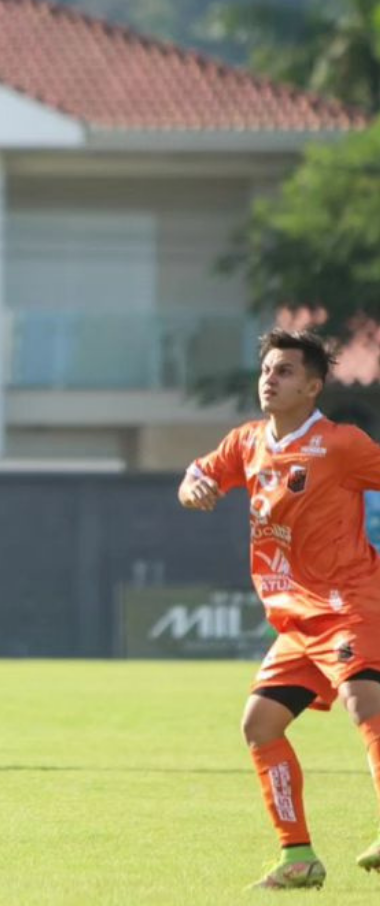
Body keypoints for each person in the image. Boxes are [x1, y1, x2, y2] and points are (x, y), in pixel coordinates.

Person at [178, 328, 380, 890]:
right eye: (267, 369)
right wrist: (193, 489)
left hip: (348, 602)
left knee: (364, 700)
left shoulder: (341, 444)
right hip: (294, 617)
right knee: (260, 724)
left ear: (313, 387)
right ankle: (298, 857)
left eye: (285, 371)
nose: (271, 378)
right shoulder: (247, 442)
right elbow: (198, 475)